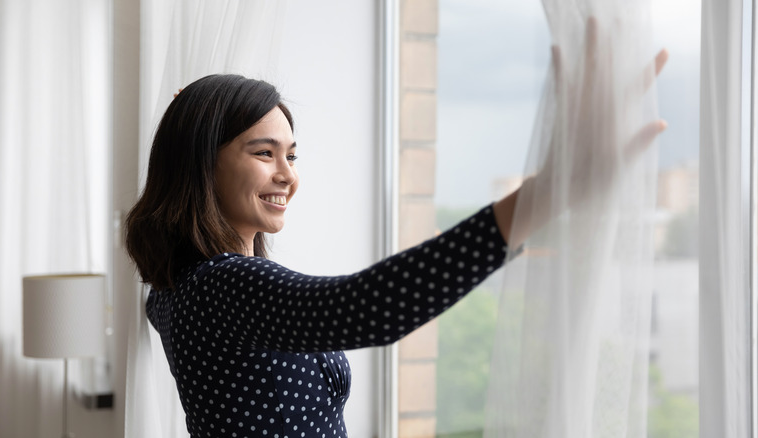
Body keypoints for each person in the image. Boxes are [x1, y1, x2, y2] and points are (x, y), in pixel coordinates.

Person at [126, 28, 667, 437]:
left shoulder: (182, 290)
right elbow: (365, 306)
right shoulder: (220, 287)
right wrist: (546, 193)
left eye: (291, 154)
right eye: (263, 153)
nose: (287, 174)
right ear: (201, 163)